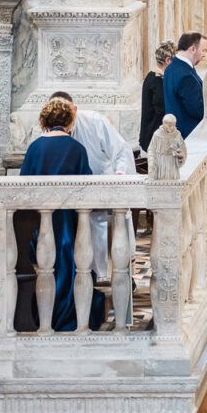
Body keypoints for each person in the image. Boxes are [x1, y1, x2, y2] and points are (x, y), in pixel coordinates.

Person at [19, 97, 104, 332]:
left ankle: (43, 314)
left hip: (38, 221)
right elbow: (85, 183)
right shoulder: (76, 148)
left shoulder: (35, 147)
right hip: (67, 222)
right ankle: (68, 315)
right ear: (69, 120)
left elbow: (23, 185)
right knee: (69, 265)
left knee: (45, 265)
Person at [51, 91, 137, 315]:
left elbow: (121, 152)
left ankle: (121, 307)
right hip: (75, 202)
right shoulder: (51, 130)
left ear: (75, 110)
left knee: (116, 255)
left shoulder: (95, 122)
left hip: (105, 195)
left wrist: (118, 180)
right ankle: (86, 306)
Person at [163, 31, 207, 139]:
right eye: (203, 50)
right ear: (192, 49)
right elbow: (198, 111)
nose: (204, 54)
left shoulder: (173, 66)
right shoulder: (185, 75)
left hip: (177, 133)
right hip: (189, 136)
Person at [140, 41, 176, 153]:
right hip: (154, 139)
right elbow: (163, 110)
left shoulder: (154, 77)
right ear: (168, 60)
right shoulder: (156, 80)